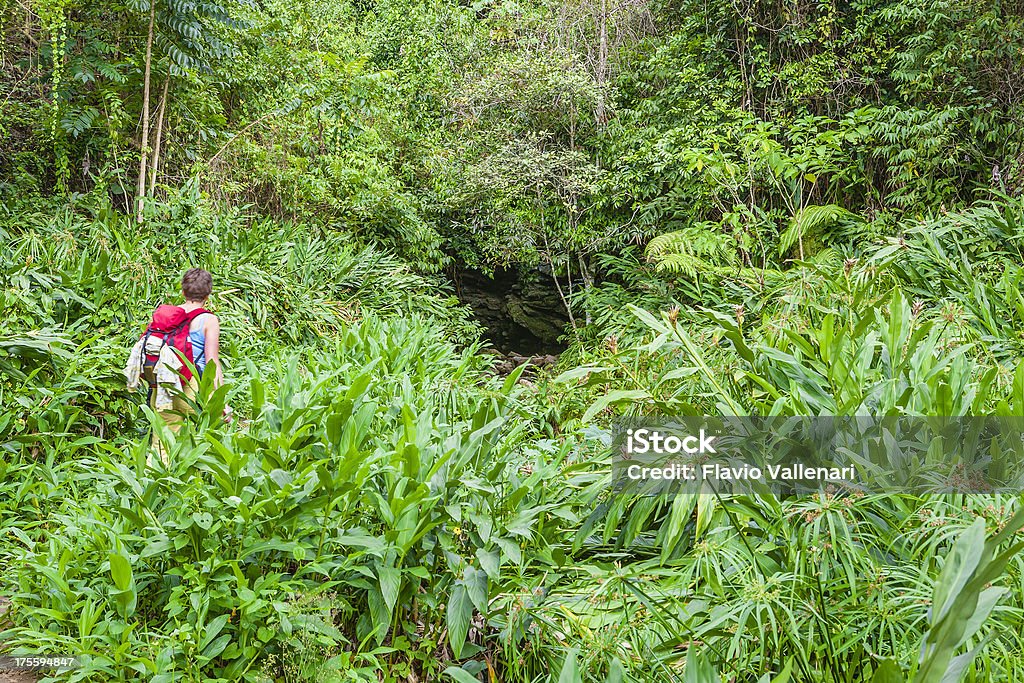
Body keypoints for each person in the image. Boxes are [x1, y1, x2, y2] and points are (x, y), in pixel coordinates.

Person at [147, 268, 231, 457]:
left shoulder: (167, 316)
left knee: (161, 447)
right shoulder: (209, 320)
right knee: (206, 441)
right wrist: (221, 401)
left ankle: (156, 483)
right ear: (208, 294)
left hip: (164, 387)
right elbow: (212, 362)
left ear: (183, 291)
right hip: (192, 389)